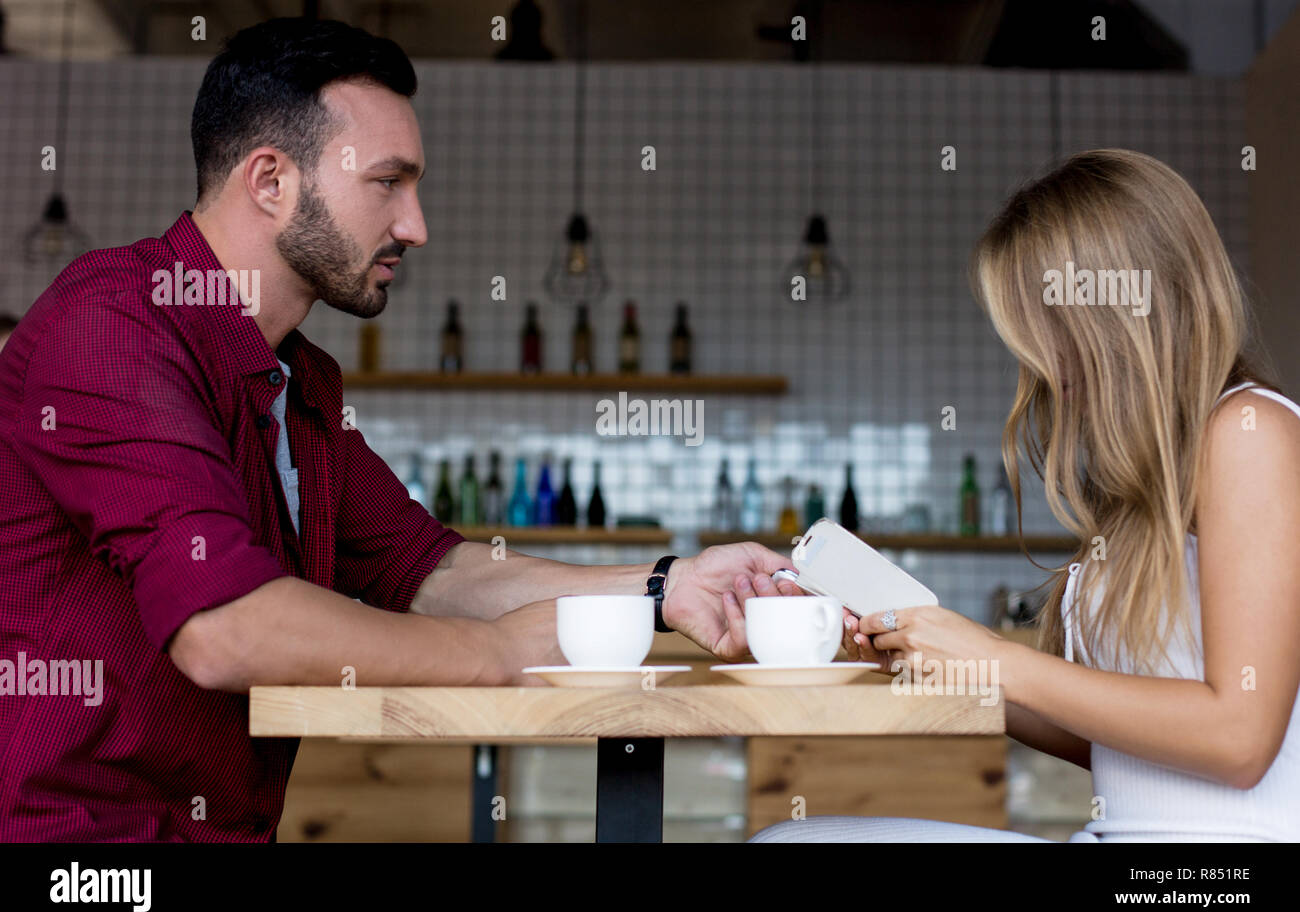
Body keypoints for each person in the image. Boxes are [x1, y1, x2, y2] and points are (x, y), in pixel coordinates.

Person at [0, 18, 796, 842]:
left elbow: (431, 571)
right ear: (271, 180)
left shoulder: (295, 382)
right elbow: (222, 629)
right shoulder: (113, 325)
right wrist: (494, 655)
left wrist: (668, 587)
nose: (415, 226)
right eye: (388, 182)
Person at [753, 149, 1300, 843]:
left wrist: (1001, 658)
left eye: (1047, 322)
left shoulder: (1250, 433)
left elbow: (1239, 738)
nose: (1034, 359)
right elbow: (1114, 744)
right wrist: (957, 662)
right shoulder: (1142, 484)